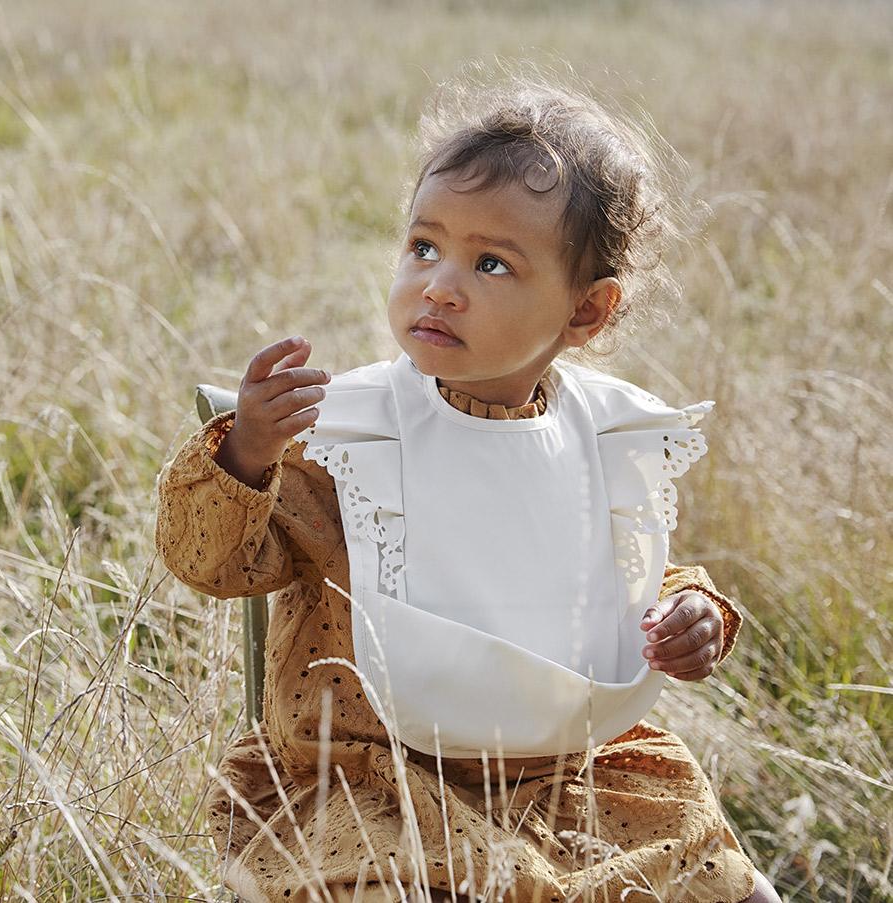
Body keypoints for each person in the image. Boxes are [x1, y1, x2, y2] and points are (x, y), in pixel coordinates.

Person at [156, 72, 781, 903]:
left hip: (561, 777)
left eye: (490, 263)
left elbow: (611, 579)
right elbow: (214, 564)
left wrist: (690, 611)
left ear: (587, 312)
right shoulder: (353, 435)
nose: (439, 284)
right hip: (370, 777)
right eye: (423, 247)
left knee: (712, 870)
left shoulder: (596, 434)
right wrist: (245, 455)